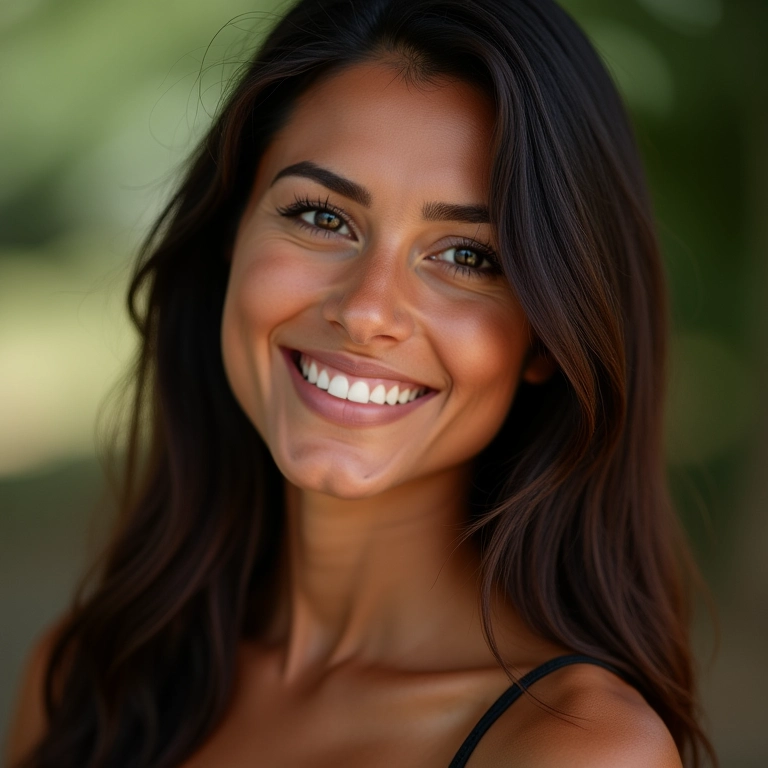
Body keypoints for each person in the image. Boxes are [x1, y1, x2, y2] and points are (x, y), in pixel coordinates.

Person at [6, 0, 716, 766]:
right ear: (231, 230)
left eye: (468, 257)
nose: (368, 310)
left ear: (546, 337)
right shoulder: (89, 679)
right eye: (321, 217)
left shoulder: (575, 750)